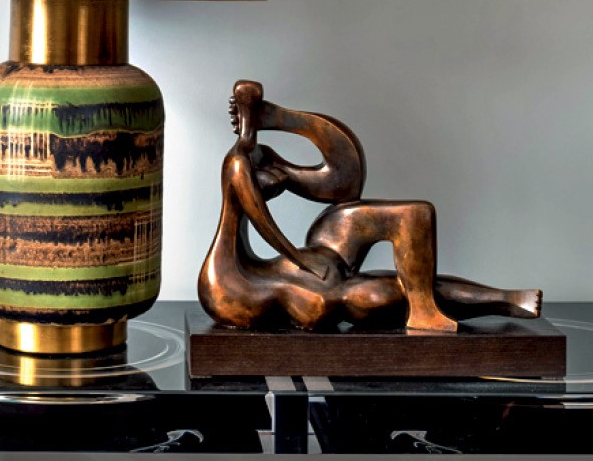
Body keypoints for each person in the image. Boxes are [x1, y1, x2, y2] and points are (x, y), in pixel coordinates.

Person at [198, 81, 541, 333]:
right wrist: (300, 261)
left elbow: (344, 181)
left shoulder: (258, 155)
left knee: (415, 215)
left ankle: (430, 306)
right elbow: (261, 222)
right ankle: (497, 300)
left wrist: (282, 119)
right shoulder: (237, 164)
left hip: (319, 252)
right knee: (399, 287)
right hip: (272, 281)